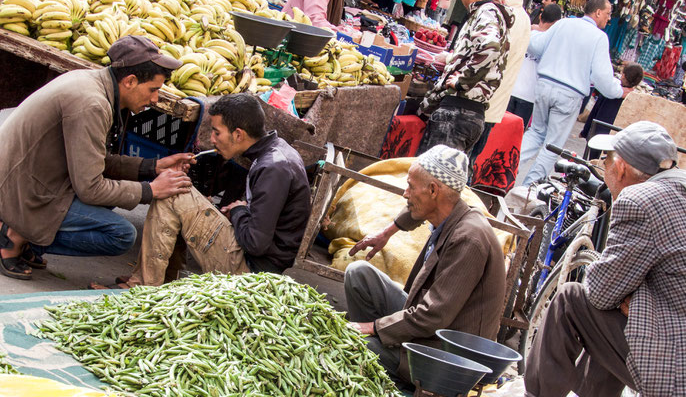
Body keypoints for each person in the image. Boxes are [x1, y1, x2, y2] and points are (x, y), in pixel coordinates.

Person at [524, 121, 686, 397]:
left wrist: (628, 300)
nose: (605, 168)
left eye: (606, 160)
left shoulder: (640, 199)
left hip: (676, 371)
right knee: (608, 316)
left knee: (571, 299)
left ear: (621, 167)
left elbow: (599, 292)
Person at [0, 35, 194, 281]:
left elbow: (99, 161)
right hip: (19, 189)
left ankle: (26, 236)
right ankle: (13, 234)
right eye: (153, 90)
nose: (155, 99)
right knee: (120, 235)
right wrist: (151, 190)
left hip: (32, 176)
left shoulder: (94, 83)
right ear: (130, 81)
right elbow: (90, 188)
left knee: (115, 197)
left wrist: (153, 167)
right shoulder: (92, 104)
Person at [110, 93, 312, 288]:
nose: (212, 140)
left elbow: (255, 243)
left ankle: (144, 286)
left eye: (217, 132)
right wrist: (229, 209)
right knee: (178, 188)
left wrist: (238, 211)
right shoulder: (276, 151)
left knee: (174, 191)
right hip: (259, 260)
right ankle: (162, 281)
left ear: (238, 134)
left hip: (253, 273)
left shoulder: (272, 168)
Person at [344, 145, 506, 386]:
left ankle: (388, 369)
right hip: (431, 329)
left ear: (433, 190)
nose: (405, 193)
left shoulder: (468, 239)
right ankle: (381, 354)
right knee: (359, 274)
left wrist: (371, 327)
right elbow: (415, 210)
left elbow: (432, 316)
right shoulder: (451, 213)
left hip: (447, 356)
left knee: (355, 347)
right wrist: (387, 232)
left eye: (410, 186)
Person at [518, 0, 633, 186]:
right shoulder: (598, 37)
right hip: (568, 94)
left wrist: (533, 32)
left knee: (535, 133)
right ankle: (527, 189)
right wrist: (619, 91)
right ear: (597, 13)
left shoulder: (564, 23)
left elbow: (536, 46)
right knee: (552, 145)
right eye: (607, 13)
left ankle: (504, 172)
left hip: (545, 85)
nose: (609, 18)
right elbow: (602, 77)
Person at [416, 0, 514, 156]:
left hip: (458, 111)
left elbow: (491, 46)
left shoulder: (488, 11)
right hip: (470, 113)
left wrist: (462, 82)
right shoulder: (495, 12)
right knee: (442, 177)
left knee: (430, 177)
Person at [467, 0, 531, 165]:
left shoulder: (508, 14)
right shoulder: (520, 16)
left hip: (482, 103)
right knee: (466, 164)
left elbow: (488, 55)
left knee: (460, 165)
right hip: (490, 106)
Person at [507, 3, 562, 129]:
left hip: (511, 88)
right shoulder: (552, 44)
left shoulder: (526, 31)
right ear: (557, 23)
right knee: (516, 134)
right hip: (530, 96)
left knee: (499, 129)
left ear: (541, 15)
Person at [580, 62, 644, 160]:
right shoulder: (634, 99)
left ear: (623, 75)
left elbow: (595, 111)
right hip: (617, 140)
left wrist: (585, 131)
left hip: (598, 134)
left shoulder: (610, 92)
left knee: (592, 162)